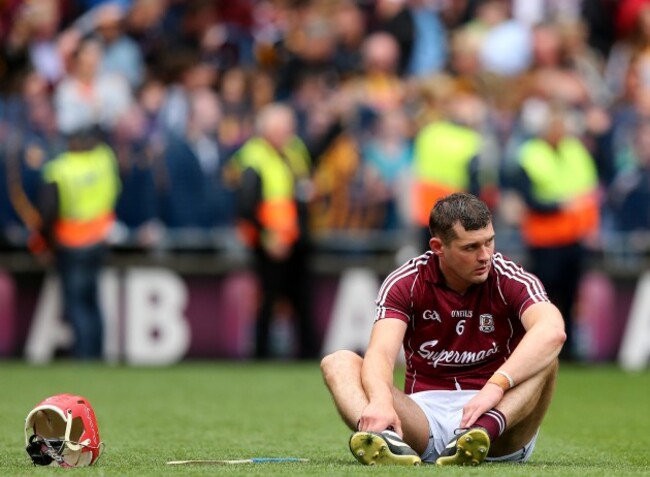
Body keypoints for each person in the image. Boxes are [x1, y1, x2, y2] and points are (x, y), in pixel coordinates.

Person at [320, 192, 565, 466]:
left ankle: (480, 433)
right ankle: (385, 438)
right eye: (470, 248)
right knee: (338, 362)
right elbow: (381, 354)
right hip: (424, 417)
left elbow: (552, 330)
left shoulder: (509, 277)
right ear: (438, 247)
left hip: (500, 417)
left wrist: (496, 386)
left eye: (489, 242)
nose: (485, 256)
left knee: (546, 356)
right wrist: (380, 401)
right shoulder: (406, 281)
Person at [231, 102, 318, 360]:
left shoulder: (293, 151)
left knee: (302, 300)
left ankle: (308, 353)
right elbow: (245, 207)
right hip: (270, 243)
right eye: (283, 129)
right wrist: (267, 236)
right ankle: (261, 354)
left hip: (295, 239)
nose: (288, 134)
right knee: (267, 301)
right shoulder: (254, 157)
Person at [37, 127, 121, 360]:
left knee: (76, 303)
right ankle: (97, 352)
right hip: (99, 241)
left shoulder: (60, 169)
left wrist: (45, 244)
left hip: (71, 243)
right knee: (93, 301)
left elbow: (48, 211)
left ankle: (84, 355)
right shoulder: (102, 161)